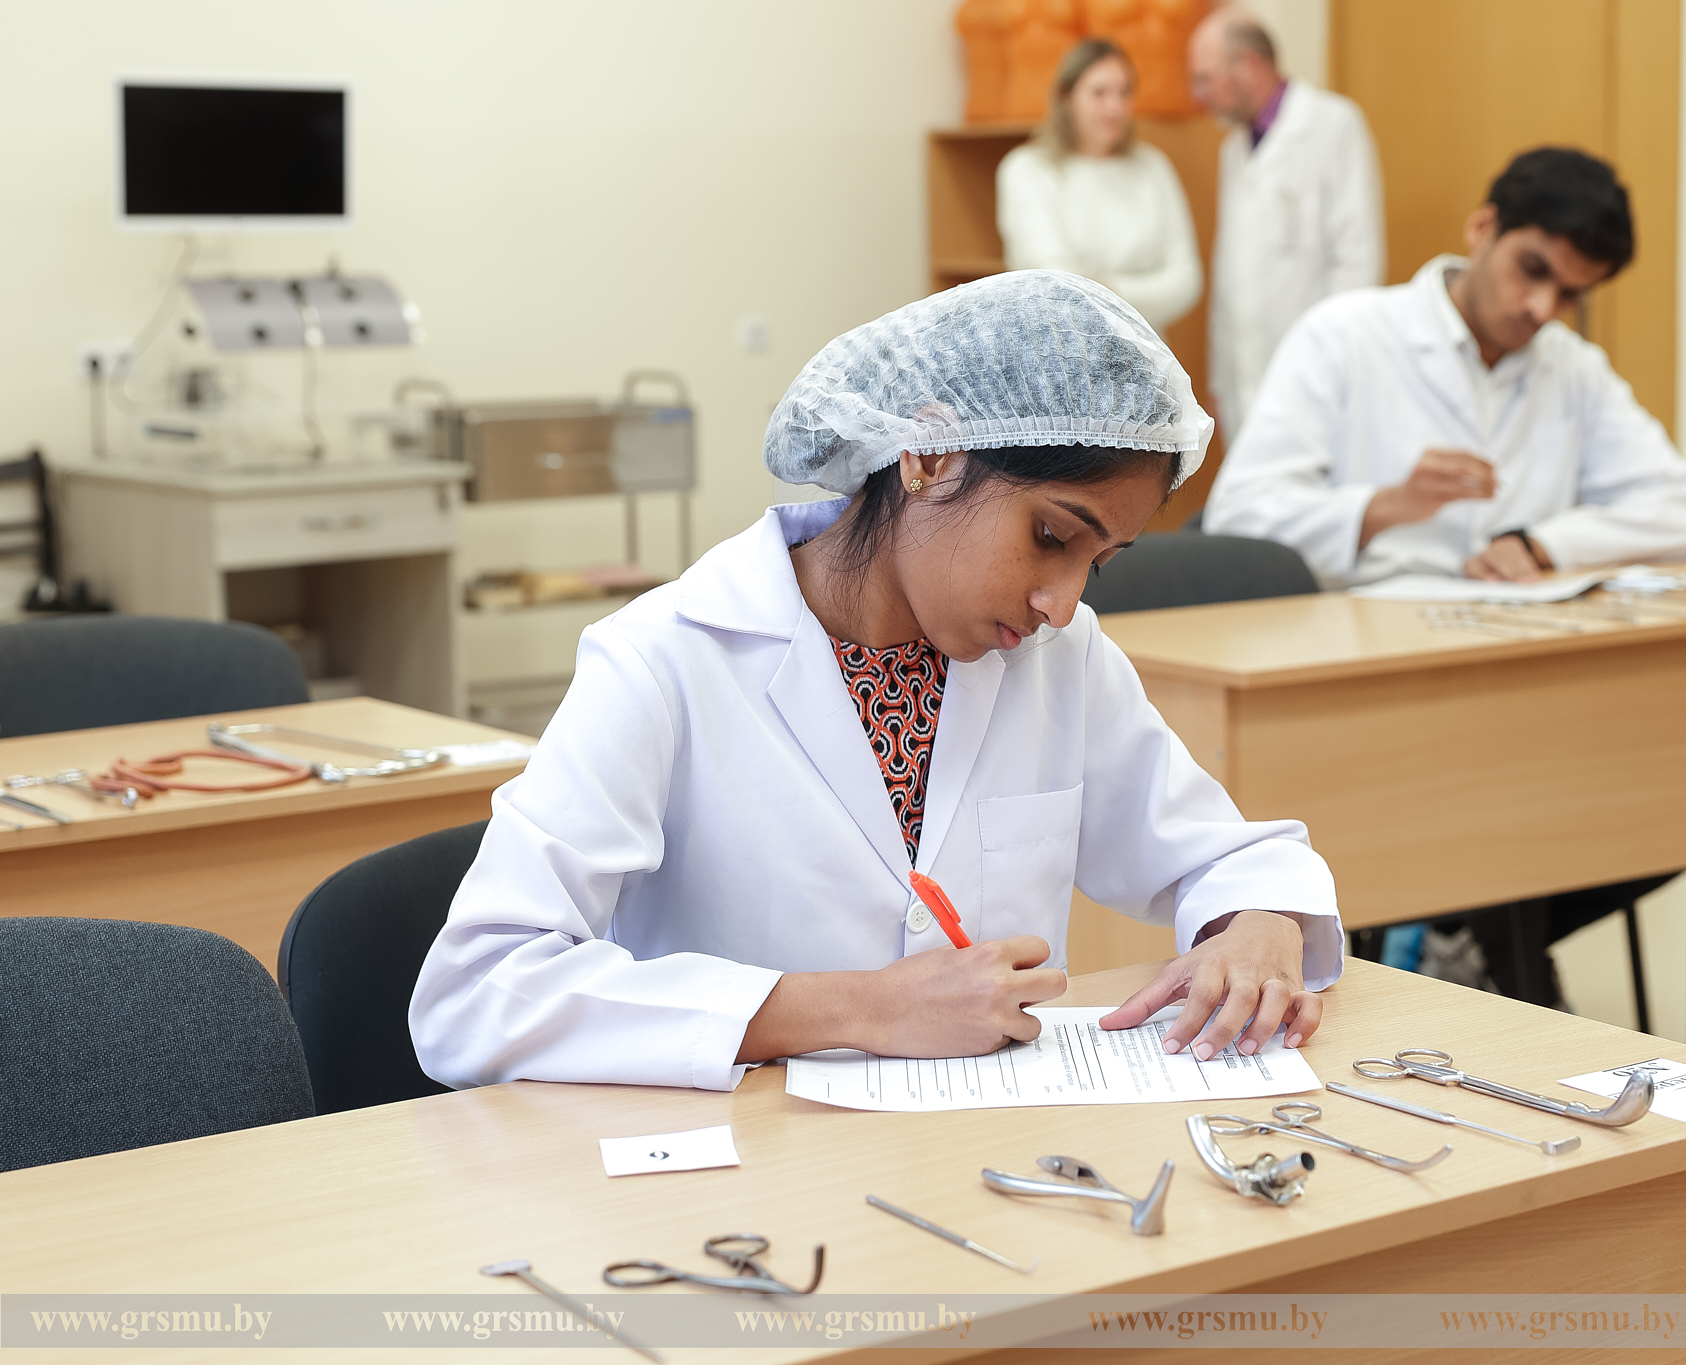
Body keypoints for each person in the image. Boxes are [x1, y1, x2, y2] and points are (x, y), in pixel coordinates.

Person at [409, 271, 1343, 1092]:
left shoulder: (1059, 657)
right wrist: (861, 1007)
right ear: (929, 454)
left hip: (983, 1165)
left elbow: (1221, 854)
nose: (1062, 602)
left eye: (1096, 563)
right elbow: (477, 991)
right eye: (1051, 536)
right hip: (743, 1179)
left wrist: (1258, 921)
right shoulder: (665, 658)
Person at [1204, 147, 1686, 590]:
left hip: (1508, 626)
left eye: (1569, 294)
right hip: (1357, 622)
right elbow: (1238, 518)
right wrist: (1387, 505)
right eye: (1532, 269)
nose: (1541, 308)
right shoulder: (1343, 335)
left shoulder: (1573, 366)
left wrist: (1536, 544)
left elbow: (1683, 509)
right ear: (1482, 228)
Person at [1188, 9, 1383, 439]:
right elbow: (1229, 273)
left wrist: (1336, 367)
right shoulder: (1233, 150)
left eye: (1205, 79)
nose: (1199, 95)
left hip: (1318, 378)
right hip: (1244, 381)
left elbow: (1357, 262)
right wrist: (1221, 380)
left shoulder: (1333, 125)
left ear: (1250, 65)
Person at [997, 38, 1203, 333]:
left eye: (1124, 92)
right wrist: (1139, 293)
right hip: (1061, 348)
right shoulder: (1028, 170)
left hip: (1147, 351)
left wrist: (1113, 289)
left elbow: (1186, 279)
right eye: (1099, 93)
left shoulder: (1153, 167)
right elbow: (1057, 284)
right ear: (1066, 97)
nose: (1114, 107)